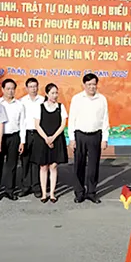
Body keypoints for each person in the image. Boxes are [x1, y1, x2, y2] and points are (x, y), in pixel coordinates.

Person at [68, 73, 109, 204]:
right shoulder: (77, 98)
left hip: (95, 136)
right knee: (79, 164)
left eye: (94, 84)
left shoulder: (102, 99)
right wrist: (72, 138)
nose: (92, 87)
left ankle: (91, 192)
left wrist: (104, 138)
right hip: (80, 135)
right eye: (89, 84)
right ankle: (79, 192)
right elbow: (72, 119)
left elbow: (105, 120)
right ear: (84, 85)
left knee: (93, 166)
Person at [33, 83, 68, 203]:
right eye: (52, 93)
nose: (55, 95)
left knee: (53, 166)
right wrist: (46, 138)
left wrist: (53, 137)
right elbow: (37, 125)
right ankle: (44, 193)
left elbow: (63, 124)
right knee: (43, 166)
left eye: (56, 93)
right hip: (43, 140)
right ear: (47, 94)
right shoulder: (40, 107)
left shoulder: (60, 107)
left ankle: (52, 193)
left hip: (56, 139)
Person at [0, 78, 26, 201]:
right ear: (2, 89)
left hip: (14, 136)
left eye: (13, 89)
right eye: (8, 89)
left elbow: (22, 123)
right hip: (0, 138)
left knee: (11, 165)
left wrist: (22, 141)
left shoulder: (19, 105)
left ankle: (9, 190)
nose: (10, 91)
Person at [18, 77, 45, 197]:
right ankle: (25, 186)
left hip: (39, 134)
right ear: (27, 88)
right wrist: (22, 139)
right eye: (31, 87)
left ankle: (36, 186)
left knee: (37, 161)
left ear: (38, 87)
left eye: (35, 86)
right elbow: (21, 121)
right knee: (25, 160)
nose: (33, 89)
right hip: (26, 133)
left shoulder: (43, 100)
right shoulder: (22, 101)